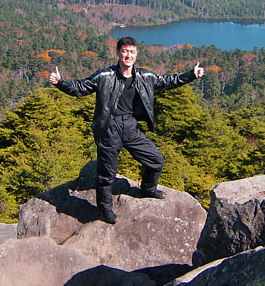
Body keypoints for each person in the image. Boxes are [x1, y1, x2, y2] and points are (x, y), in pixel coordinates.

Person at [48, 36, 204, 224]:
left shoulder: (145, 77)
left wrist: (191, 75)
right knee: (107, 174)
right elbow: (81, 87)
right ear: (118, 53)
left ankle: (148, 188)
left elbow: (167, 81)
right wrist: (60, 82)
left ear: (136, 54)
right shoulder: (105, 76)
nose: (128, 55)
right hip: (109, 127)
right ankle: (105, 209)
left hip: (130, 125)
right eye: (124, 51)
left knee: (156, 160)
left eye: (132, 52)